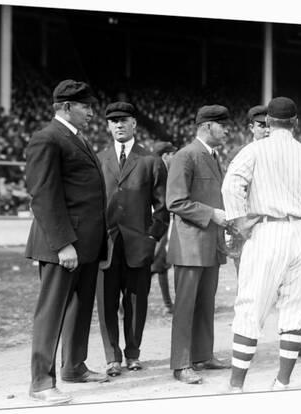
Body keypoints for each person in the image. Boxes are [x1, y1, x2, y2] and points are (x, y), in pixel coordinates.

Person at [222, 97, 301, 392]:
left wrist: (239, 220)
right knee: (294, 310)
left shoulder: (253, 150)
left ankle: (236, 386)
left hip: (267, 232)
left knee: (251, 307)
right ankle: (282, 382)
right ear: (295, 122)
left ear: (268, 122)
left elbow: (231, 185)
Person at [24, 79, 108, 404]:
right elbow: (43, 195)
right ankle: (41, 383)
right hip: (63, 245)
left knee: (80, 308)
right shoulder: (47, 138)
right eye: (86, 106)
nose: (91, 112)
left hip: (84, 244)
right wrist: (62, 244)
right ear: (67, 107)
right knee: (52, 312)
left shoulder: (76, 137)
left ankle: (74, 366)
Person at [96, 102, 169, 377]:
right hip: (106, 245)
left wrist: (153, 237)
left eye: (124, 120)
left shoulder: (151, 160)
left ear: (134, 124)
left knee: (136, 303)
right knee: (106, 303)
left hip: (140, 244)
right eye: (113, 121)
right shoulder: (99, 159)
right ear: (107, 126)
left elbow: (162, 207)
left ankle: (133, 354)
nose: (118, 125)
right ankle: (112, 357)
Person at [166, 105, 232, 384]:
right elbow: (175, 201)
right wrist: (212, 214)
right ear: (207, 126)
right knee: (185, 306)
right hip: (190, 245)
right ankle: (181, 365)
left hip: (209, 243)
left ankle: (203, 355)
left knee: (206, 304)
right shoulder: (186, 155)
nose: (227, 130)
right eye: (222, 125)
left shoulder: (211, 155)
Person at [226, 105, 269, 274]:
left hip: (271, 225)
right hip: (245, 226)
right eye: (262, 125)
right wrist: (236, 225)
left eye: (269, 125)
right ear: (252, 128)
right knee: (245, 279)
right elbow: (230, 190)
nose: (267, 130)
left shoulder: (280, 151)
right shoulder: (240, 153)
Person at [150, 141, 179, 314]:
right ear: (166, 155)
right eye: (173, 154)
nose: (175, 157)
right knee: (157, 266)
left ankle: (169, 304)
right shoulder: (158, 170)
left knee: (159, 266)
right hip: (158, 226)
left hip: (163, 226)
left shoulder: (163, 169)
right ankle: (126, 305)